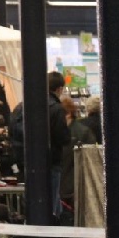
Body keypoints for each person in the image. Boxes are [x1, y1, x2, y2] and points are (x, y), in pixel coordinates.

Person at [59, 95, 96, 212]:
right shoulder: (83, 131)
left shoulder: (82, 132)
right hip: (70, 187)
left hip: (72, 188)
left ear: (68, 113)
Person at [48, 71, 71, 217]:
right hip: (53, 159)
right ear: (59, 89)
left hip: (33, 161)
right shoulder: (57, 108)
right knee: (53, 198)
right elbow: (62, 137)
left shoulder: (30, 104)